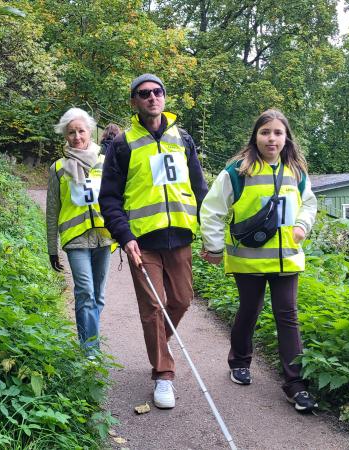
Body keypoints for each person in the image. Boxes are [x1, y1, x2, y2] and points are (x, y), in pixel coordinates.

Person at [198, 109, 319, 413]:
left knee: (287, 316)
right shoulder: (238, 171)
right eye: (266, 132)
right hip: (249, 260)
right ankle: (239, 361)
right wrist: (213, 247)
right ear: (255, 135)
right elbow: (212, 209)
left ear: (286, 137)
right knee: (249, 310)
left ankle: (296, 385)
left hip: (287, 261)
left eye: (278, 133)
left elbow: (309, 204)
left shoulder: (296, 172)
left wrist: (302, 225)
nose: (272, 138)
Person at [99, 74, 208, 409]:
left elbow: (200, 189)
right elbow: (110, 199)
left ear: (164, 97)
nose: (151, 98)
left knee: (181, 300)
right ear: (134, 102)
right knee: (152, 307)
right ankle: (163, 374)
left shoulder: (183, 138)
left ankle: (160, 344)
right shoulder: (123, 144)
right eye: (143, 94)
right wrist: (125, 236)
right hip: (142, 242)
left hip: (181, 237)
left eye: (157, 92)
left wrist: (213, 234)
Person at [46, 107, 114, 355]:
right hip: (75, 239)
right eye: (71, 132)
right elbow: (52, 211)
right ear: (65, 135)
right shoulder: (58, 168)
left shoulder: (105, 163)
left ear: (90, 132)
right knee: (85, 292)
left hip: (103, 238)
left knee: (99, 297)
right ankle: (90, 351)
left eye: (81, 131)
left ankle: (89, 340)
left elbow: (117, 200)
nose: (76, 137)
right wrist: (51, 249)